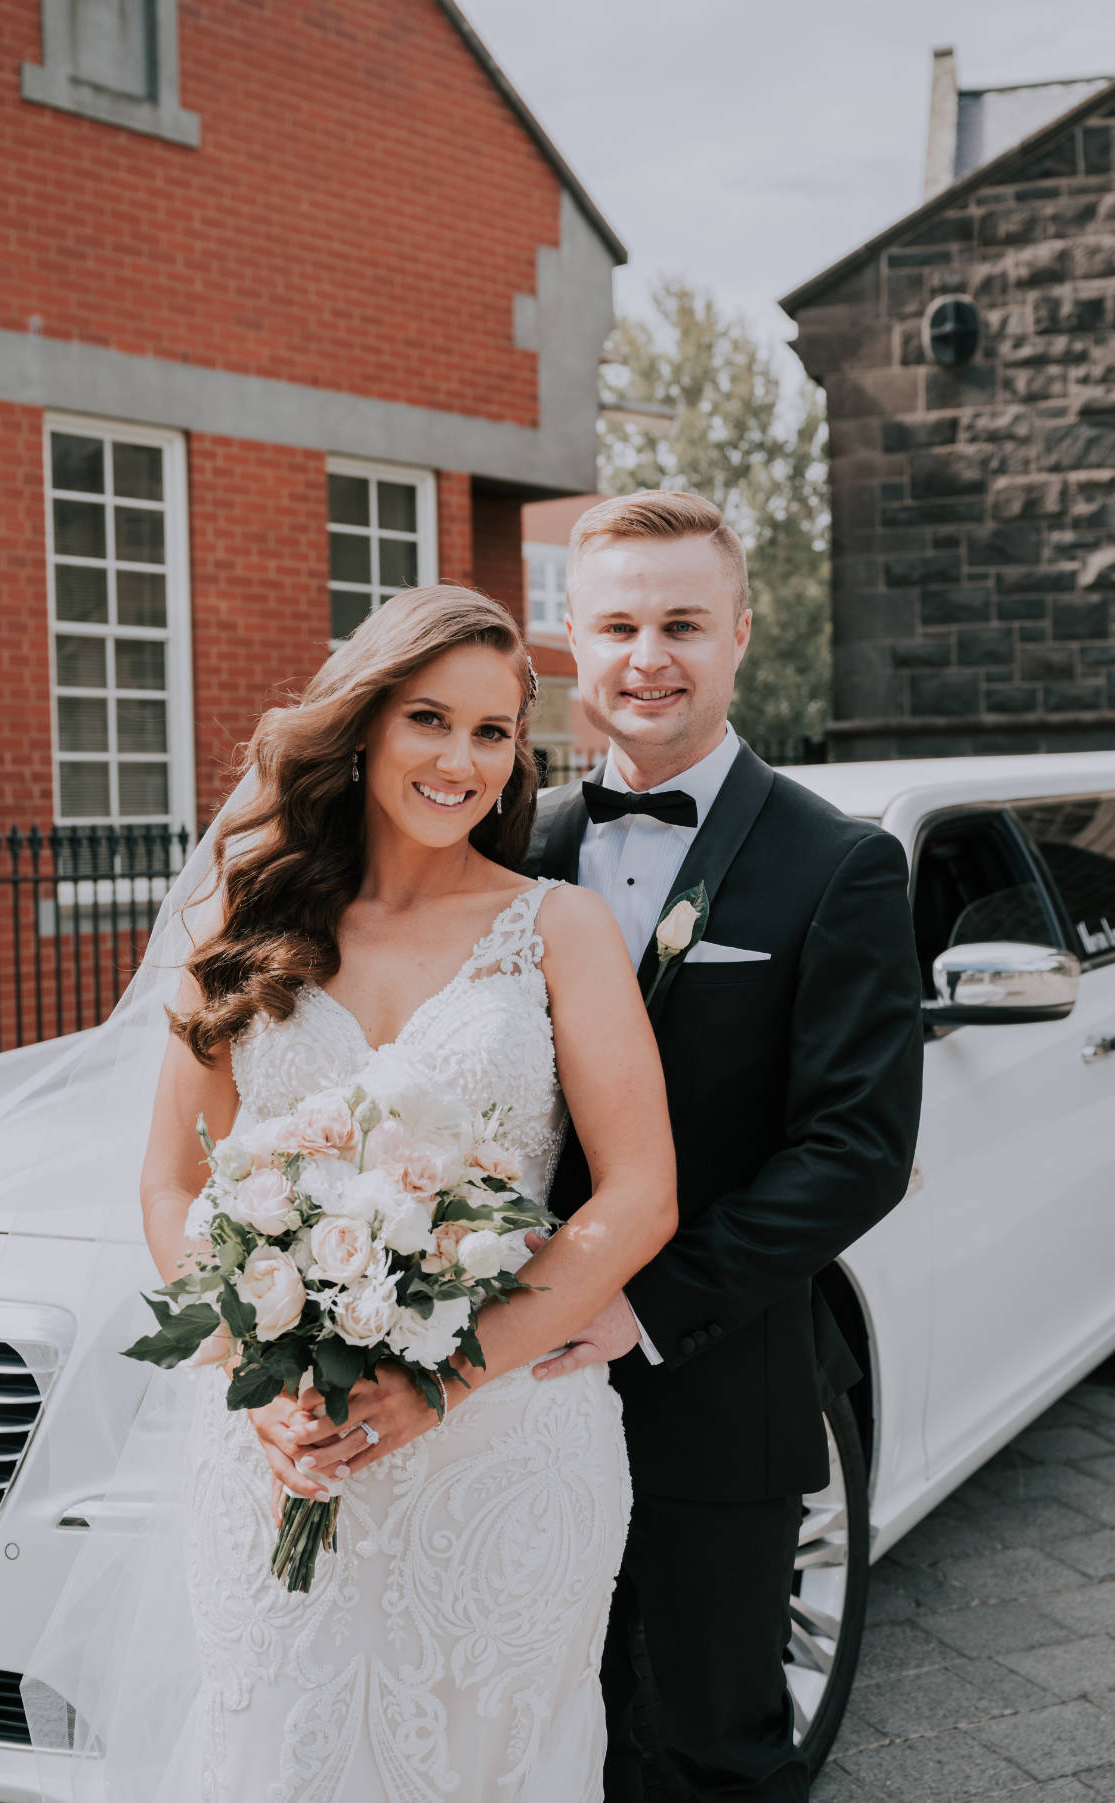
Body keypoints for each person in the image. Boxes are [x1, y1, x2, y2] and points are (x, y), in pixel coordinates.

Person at [139, 584, 677, 1802]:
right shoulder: (244, 917)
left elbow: (640, 1192)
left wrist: (447, 1378)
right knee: (277, 1752)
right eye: (432, 719)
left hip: (505, 1451)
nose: (463, 760)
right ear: (367, 722)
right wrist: (251, 1381)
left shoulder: (559, 929)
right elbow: (176, 1187)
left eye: (494, 733)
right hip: (287, 1451)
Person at [525, 491, 924, 1802]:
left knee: (716, 1749)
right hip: (510, 1404)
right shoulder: (510, 852)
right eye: (621, 622)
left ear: (741, 633)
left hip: (720, 1390)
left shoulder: (836, 863)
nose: (651, 654)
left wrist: (638, 1305)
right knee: (547, 1737)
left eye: (683, 622)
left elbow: (858, 1148)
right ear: (571, 642)